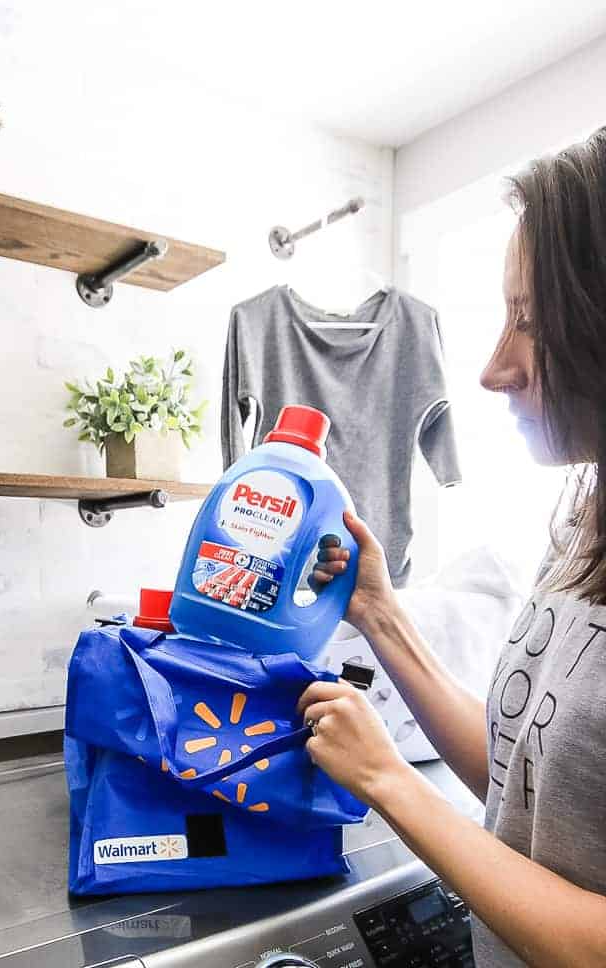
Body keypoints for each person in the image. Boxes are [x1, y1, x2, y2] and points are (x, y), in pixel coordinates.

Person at [300, 130, 606, 967]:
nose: (493, 368)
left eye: (531, 323)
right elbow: (524, 784)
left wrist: (389, 782)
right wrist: (380, 616)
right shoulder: (582, 530)